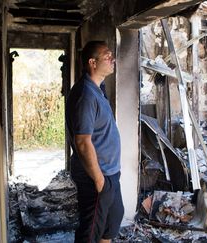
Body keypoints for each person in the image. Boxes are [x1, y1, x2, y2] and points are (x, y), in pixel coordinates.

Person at [65, 41, 124, 243]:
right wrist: (99, 181)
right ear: (92, 62)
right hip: (96, 176)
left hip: (110, 173)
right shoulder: (85, 95)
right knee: (90, 232)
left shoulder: (98, 88)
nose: (112, 59)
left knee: (112, 222)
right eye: (107, 56)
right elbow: (82, 142)